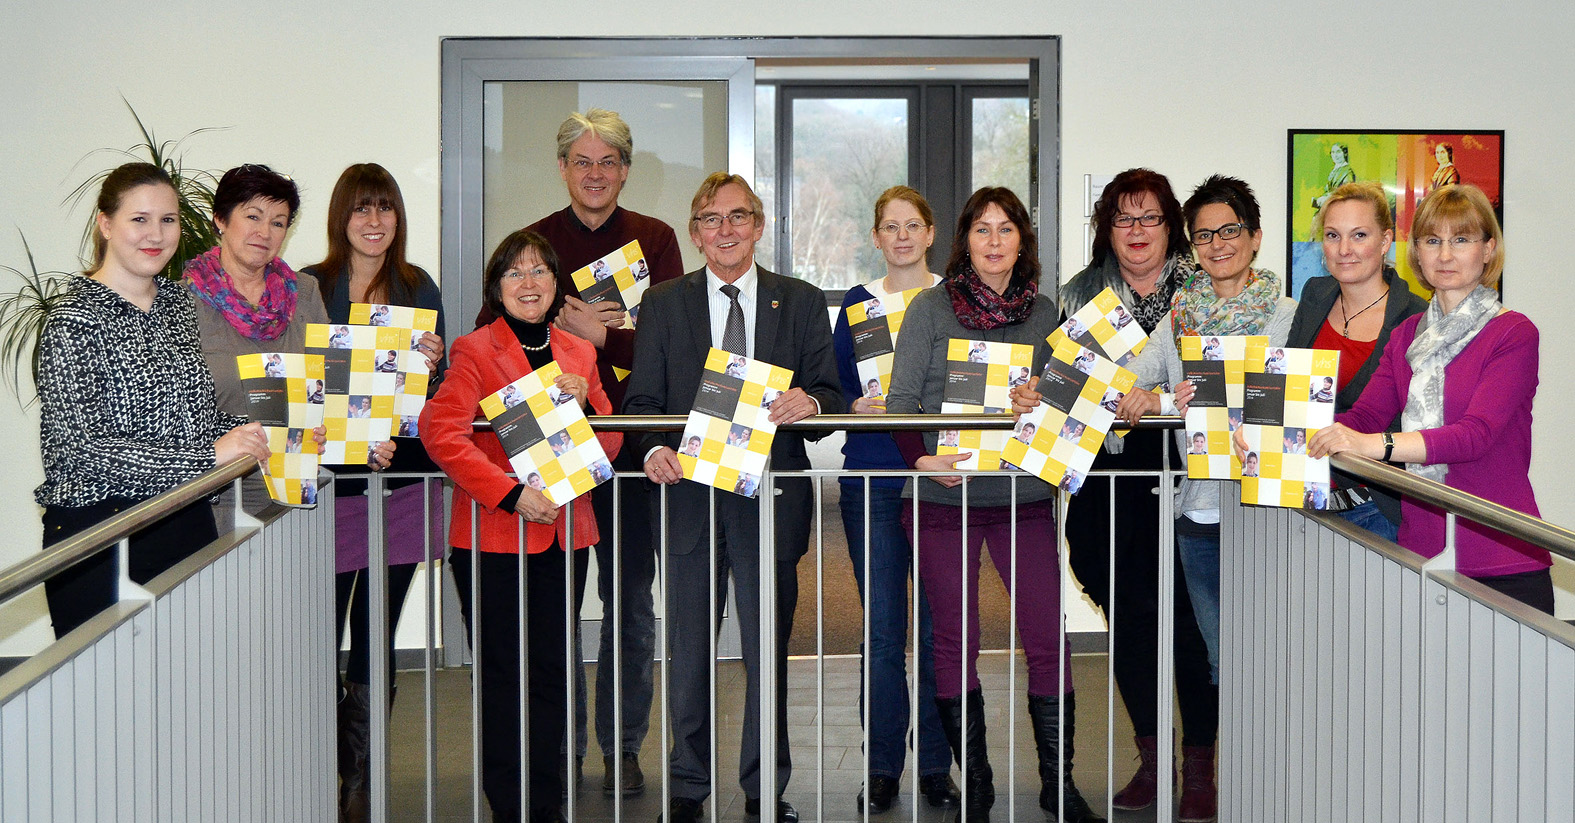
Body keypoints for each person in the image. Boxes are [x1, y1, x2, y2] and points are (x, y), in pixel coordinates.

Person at [475, 109, 685, 795]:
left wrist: (602, 340)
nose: (595, 174)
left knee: (630, 605)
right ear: (563, 168)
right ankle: (558, 746)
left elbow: (676, 341)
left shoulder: (655, 239)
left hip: (632, 452)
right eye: (582, 161)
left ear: (625, 169)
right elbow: (491, 334)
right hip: (549, 461)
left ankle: (621, 747)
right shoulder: (537, 243)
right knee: (554, 613)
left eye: (608, 161)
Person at [624, 172, 843, 823]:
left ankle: (764, 787)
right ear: (695, 233)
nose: (726, 229)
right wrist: (651, 450)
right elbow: (642, 403)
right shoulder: (663, 303)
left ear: (759, 225)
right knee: (689, 653)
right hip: (688, 499)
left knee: (766, 652)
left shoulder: (799, 301)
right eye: (711, 219)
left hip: (769, 500)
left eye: (739, 216)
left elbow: (829, 393)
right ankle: (687, 787)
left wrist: (811, 402)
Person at [887, 187, 1103, 823]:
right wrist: (921, 459)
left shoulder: (1043, 314)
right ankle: (976, 783)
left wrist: (1044, 397)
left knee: (1047, 637)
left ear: (1021, 240)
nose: (994, 241)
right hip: (942, 496)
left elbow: (1067, 402)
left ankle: (1057, 784)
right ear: (965, 240)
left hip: (1021, 496)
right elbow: (900, 403)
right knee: (957, 639)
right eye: (982, 229)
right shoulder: (929, 308)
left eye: (1006, 229)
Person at [1112, 175, 1297, 823]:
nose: (1217, 244)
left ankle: (1272, 784)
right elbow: (1127, 384)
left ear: (1255, 236)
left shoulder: (1289, 315)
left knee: (1275, 654)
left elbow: (1305, 403)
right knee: (1216, 659)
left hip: (1270, 511)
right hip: (1200, 513)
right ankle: (1219, 780)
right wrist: (1157, 397)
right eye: (1203, 235)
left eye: (1229, 231)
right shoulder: (1178, 318)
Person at [421, 229, 621, 823]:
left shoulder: (579, 352)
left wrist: (589, 407)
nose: (528, 283)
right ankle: (510, 807)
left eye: (539, 271)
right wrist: (511, 495)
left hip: (564, 536)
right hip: (494, 537)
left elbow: (611, 444)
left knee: (555, 672)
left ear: (556, 283)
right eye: (515, 273)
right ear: (496, 287)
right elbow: (441, 433)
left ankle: (548, 802)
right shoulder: (474, 349)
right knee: (505, 678)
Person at [34, 162, 272, 639]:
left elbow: (192, 416)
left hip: (183, 517)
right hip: (101, 535)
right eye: (139, 219)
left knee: (191, 675)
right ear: (106, 224)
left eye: (168, 220)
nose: (156, 234)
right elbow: (85, 449)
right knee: (109, 682)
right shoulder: (73, 319)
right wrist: (207, 457)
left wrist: (253, 432)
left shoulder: (176, 305)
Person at [1053, 167, 1219, 817]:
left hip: (1186, 473)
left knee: (1190, 622)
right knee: (1128, 619)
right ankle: (1152, 760)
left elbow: (1225, 378)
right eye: (1123, 218)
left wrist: (1163, 396)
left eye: (1150, 217)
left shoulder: (1203, 288)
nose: (1137, 230)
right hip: (1107, 476)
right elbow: (1062, 387)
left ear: (1171, 225)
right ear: (1107, 228)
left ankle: (1199, 766)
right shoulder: (1078, 294)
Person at [1309, 184, 1552, 613]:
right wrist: (1276, 433)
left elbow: (1474, 436)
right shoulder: (1406, 335)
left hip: (1500, 554)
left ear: (1488, 249)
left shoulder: (1513, 333)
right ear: (1416, 252)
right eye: (1432, 241)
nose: (1445, 255)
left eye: (1461, 240)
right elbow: (1364, 416)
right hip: (1420, 549)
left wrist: (1374, 445)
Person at [300, 162, 448, 823]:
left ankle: (358, 781)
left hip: (402, 482)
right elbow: (300, 389)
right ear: (342, 216)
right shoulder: (309, 286)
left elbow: (434, 396)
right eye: (361, 207)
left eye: (384, 207)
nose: (373, 220)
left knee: (376, 630)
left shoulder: (418, 286)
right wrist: (347, 439)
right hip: (333, 486)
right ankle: (322, 759)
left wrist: (434, 363)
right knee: (319, 628)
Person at [828, 186, 957, 814]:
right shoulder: (856, 305)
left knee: (937, 631)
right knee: (881, 632)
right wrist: (850, 404)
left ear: (930, 233)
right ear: (875, 237)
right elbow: (832, 386)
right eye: (889, 226)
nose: (901, 237)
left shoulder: (952, 301)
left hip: (938, 481)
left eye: (912, 225)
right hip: (873, 476)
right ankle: (881, 766)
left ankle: (935, 765)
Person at [187, 164, 394, 521]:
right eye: (253, 216)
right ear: (220, 219)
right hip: (218, 501)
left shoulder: (305, 291)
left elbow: (331, 387)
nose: (264, 232)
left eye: (278, 222)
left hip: (300, 496)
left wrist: (365, 440)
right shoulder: (182, 301)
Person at [1282, 181, 1427, 541]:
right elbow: (1287, 387)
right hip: (1305, 498)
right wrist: (1253, 427)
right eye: (1333, 236)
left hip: (1375, 506)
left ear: (1385, 241)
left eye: (1359, 235)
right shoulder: (1314, 295)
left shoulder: (1415, 317)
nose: (1344, 249)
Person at [1311, 142, 1355, 211]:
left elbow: (1347, 192)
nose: (1335, 155)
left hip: (1340, 207)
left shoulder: (1347, 171)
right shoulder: (1334, 170)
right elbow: (1328, 189)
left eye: (1338, 152)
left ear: (1345, 153)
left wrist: (1329, 197)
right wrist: (1322, 198)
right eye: (1333, 152)